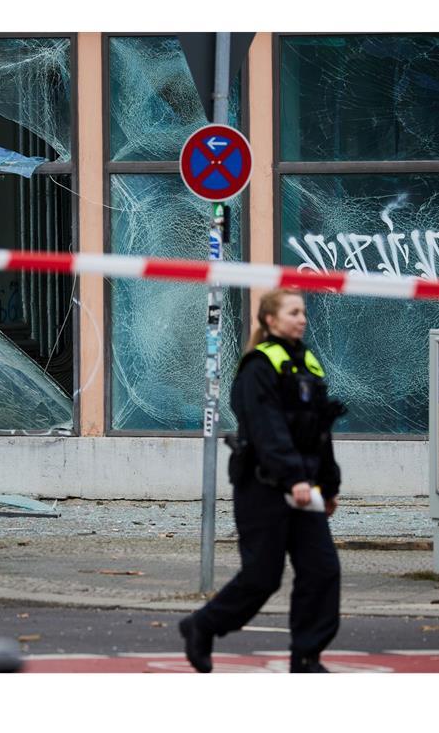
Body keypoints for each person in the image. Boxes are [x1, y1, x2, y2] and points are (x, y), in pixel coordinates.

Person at [179, 287, 344, 673]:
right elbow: (268, 430)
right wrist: (293, 479)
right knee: (262, 577)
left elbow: (320, 432)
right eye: (292, 313)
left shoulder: (309, 365)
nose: (301, 319)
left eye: (303, 312)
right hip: (263, 488)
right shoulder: (258, 366)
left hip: (303, 488)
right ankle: (202, 625)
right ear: (270, 320)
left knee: (323, 571)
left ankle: (306, 656)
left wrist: (329, 485)